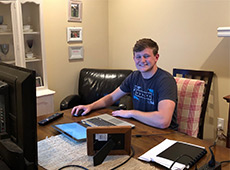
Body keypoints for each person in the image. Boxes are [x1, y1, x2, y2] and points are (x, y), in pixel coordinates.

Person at [71, 38, 178, 130]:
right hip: (140, 127)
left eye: (146, 56)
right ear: (134, 58)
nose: (142, 60)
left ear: (156, 57)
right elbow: (111, 98)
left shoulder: (165, 81)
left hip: (165, 134)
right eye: (138, 57)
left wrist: (131, 113)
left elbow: (163, 121)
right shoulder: (134, 76)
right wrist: (90, 106)